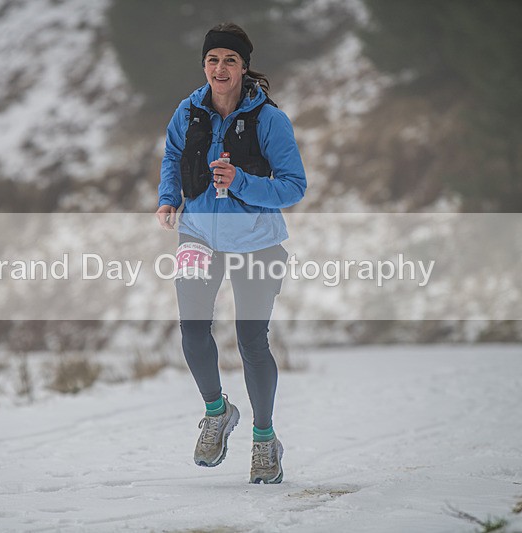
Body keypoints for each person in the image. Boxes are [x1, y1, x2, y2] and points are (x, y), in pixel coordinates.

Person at [155, 22, 306, 484]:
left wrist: (240, 181)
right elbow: (171, 158)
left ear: (244, 67)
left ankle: (264, 440)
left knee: (251, 342)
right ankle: (217, 412)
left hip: (257, 242)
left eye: (230, 61)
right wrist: (168, 198)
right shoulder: (187, 111)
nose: (220, 68)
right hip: (197, 236)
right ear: (204, 65)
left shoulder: (270, 120)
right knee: (192, 334)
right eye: (213, 60)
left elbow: (293, 186)